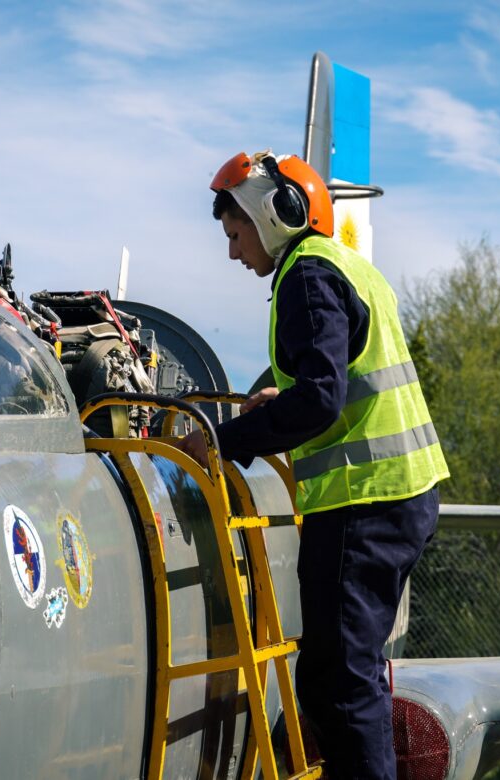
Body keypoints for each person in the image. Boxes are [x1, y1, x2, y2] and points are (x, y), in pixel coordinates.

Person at [177, 150, 450, 778]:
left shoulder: (306, 277)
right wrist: (281, 391)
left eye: (235, 232)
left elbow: (321, 400)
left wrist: (224, 441)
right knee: (345, 672)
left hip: (364, 504)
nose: (233, 251)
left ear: (274, 214)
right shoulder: (346, 267)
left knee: (338, 682)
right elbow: (338, 376)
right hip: (399, 497)